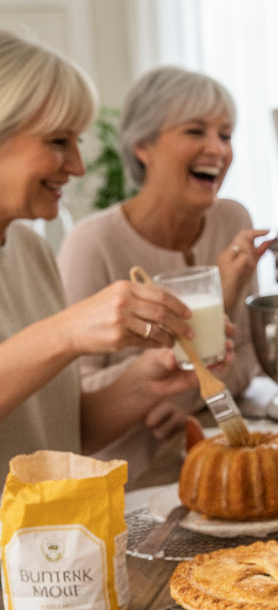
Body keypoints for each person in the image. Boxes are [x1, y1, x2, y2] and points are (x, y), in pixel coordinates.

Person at [58, 66, 270, 477]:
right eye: (195, 131)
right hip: (126, 473)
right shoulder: (92, 244)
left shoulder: (232, 220)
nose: (219, 149)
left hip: (213, 448)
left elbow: (246, 355)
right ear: (143, 145)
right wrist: (155, 391)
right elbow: (72, 398)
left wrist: (186, 397)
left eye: (225, 135)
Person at [0, 30, 197, 472]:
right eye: (57, 141)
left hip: (49, 538)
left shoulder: (29, 248)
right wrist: (64, 333)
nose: (78, 166)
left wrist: (144, 383)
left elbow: (59, 436)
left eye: (78, 141)